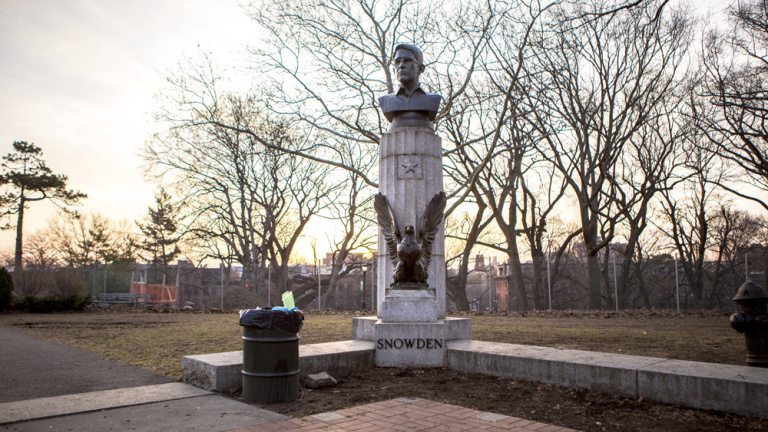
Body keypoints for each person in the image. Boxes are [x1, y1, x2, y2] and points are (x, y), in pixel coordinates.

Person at [378, 43, 442, 130]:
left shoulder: (433, 99)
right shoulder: (386, 101)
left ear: (420, 68)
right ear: (393, 70)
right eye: (397, 62)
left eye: (407, 60)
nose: (401, 66)